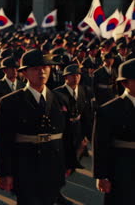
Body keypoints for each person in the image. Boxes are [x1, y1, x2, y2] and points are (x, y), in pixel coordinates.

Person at [0, 49, 75, 205]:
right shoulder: (9, 102)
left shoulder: (61, 99)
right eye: (35, 69)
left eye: (45, 68)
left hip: (53, 163)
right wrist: (4, 173)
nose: (42, 72)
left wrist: (70, 162)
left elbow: (67, 135)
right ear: (24, 73)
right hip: (25, 166)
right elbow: (2, 141)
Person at [93, 58, 135, 205]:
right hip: (120, 168)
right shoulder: (109, 110)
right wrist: (101, 176)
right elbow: (100, 145)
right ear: (124, 83)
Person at [53, 64, 94, 205]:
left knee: (73, 159)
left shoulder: (83, 91)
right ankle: (56, 193)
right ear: (65, 77)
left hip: (78, 129)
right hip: (64, 133)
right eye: (72, 75)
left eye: (78, 75)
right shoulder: (58, 93)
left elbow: (86, 114)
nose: (76, 77)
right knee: (60, 164)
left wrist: (87, 135)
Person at [0, 56, 25, 139]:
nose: (14, 71)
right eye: (11, 69)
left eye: (16, 68)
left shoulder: (23, 85)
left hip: (20, 126)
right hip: (3, 125)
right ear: (4, 70)